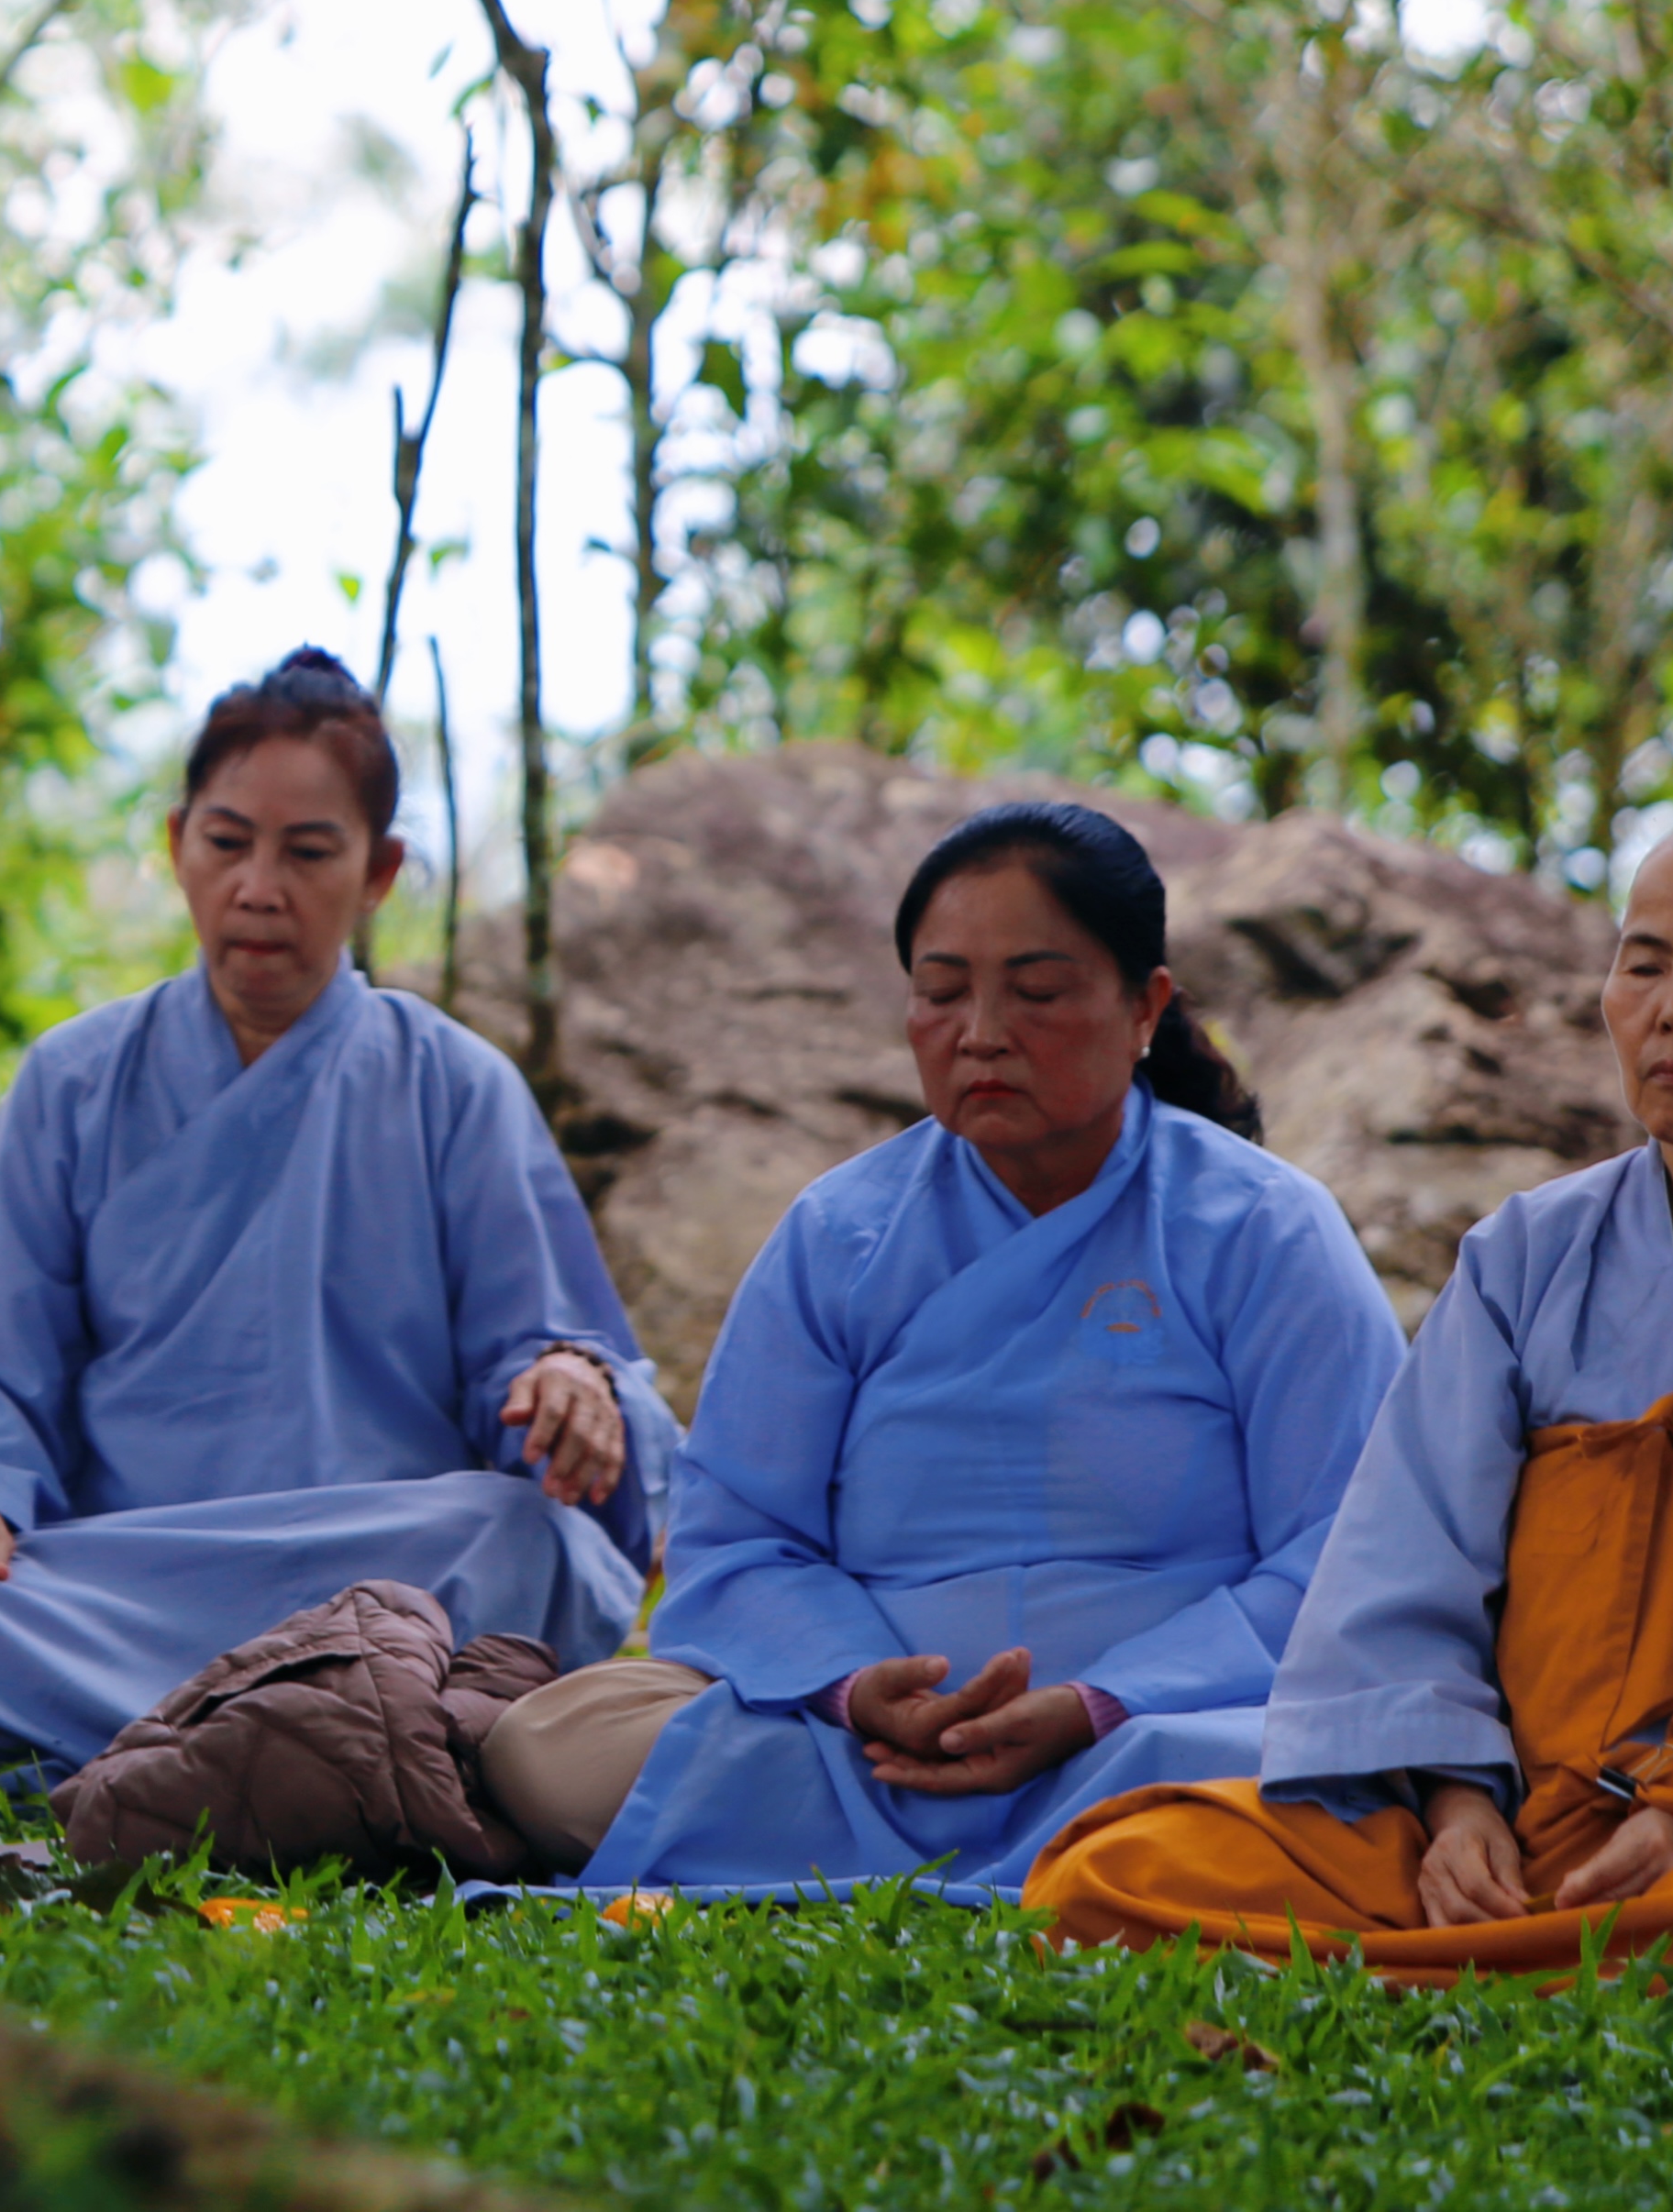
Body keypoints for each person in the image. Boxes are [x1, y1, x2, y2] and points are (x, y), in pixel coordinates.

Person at [1030, 804, 1673, 1985]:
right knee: (1116, 1869)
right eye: (1643, 964)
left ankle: (1456, 1974)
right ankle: (1526, 1961)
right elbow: (1408, 1559)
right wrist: (1457, 1803)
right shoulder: (1526, 1258)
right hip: (1504, 1816)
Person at [471, 802, 1408, 1898]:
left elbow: (1344, 1553)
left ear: (1144, 1008)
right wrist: (860, 1687)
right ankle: (1095, 1856)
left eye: (1038, 992)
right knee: (549, 1746)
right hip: (868, 1752)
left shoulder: (1263, 1228)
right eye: (943, 991)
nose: (982, 1033)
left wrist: (1100, 1701)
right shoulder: (839, 1233)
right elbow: (739, 1538)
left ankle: (1081, 1828)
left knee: (1338, 1765)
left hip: (1160, 1731)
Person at [0, 647, 681, 1783]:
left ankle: (197, 1725)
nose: (259, 888)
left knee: (524, 1538)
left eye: (309, 852)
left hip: (388, 1566)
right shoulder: (76, 1081)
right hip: (142, 1572)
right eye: (229, 843)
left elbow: (537, 1351)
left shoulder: (454, 1084)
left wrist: (568, 1384)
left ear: (381, 872)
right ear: (177, 844)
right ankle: (341, 1718)